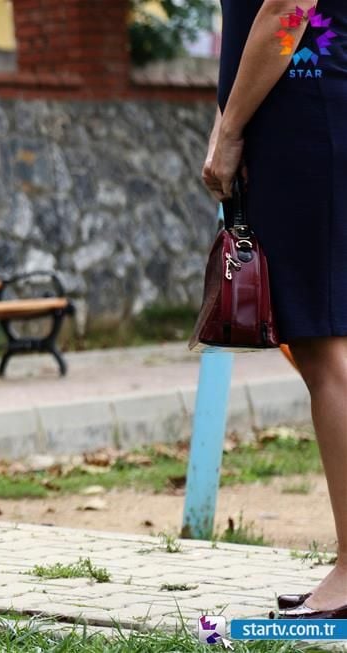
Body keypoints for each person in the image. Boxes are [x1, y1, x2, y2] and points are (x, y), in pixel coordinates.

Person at [204, 1, 347, 619]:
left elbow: (290, 7)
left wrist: (230, 129)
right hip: (313, 114)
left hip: (306, 121)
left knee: (325, 345)